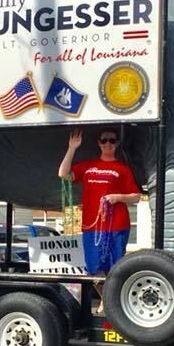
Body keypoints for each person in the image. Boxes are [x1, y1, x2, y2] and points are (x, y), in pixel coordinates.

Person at [58, 127, 140, 308]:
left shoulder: (122, 168)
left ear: (117, 143)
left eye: (112, 140)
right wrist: (72, 148)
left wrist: (118, 197)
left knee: (115, 268)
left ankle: (111, 304)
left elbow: (136, 196)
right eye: (104, 140)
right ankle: (108, 300)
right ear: (99, 143)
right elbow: (63, 174)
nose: (108, 144)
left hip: (117, 225)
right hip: (92, 226)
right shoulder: (88, 166)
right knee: (94, 269)